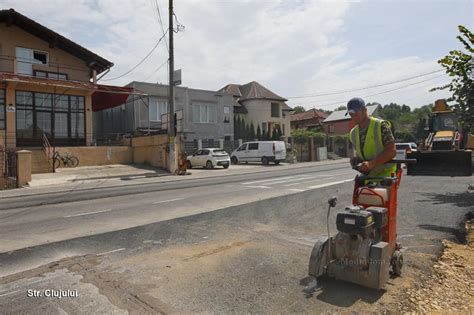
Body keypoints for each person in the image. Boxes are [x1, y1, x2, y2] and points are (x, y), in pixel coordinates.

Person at [346, 97, 396, 177]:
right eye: (351, 114)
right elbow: (364, 154)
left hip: (385, 173)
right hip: (368, 174)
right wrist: (357, 160)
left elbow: (392, 151)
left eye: (356, 113)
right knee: (360, 189)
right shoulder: (353, 133)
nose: (354, 116)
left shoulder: (381, 126)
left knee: (376, 190)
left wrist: (371, 163)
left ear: (364, 110)